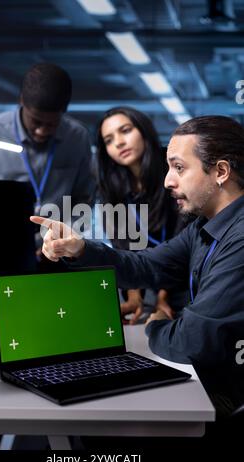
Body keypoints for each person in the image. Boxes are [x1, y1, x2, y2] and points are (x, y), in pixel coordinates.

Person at [31, 115, 244, 415]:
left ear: (221, 171)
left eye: (179, 168)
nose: (168, 180)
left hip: (229, 393)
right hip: (213, 377)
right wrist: (80, 249)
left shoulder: (239, 239)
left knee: (103, 424)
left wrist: (155, 323)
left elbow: (192, 342)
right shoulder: (203, 226)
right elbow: (146, 265)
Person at [0, 62, 94, 214]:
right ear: (21, 101)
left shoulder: (78, 138)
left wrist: (69, 230)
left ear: (64, 111)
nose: (41, 131)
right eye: (36, 121)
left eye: (52, 124)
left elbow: (84, 196)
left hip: (58, 234)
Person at [95, 107, 187, 324]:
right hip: (145, 274)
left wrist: (162, 298)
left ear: (143, 130)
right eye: (108, 140)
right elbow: (122, 247)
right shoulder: (111, 188)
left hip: (182, 279)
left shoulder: (174, 172)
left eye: (125, 130)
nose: (118, 143)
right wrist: (135, 296)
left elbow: (185, 244)